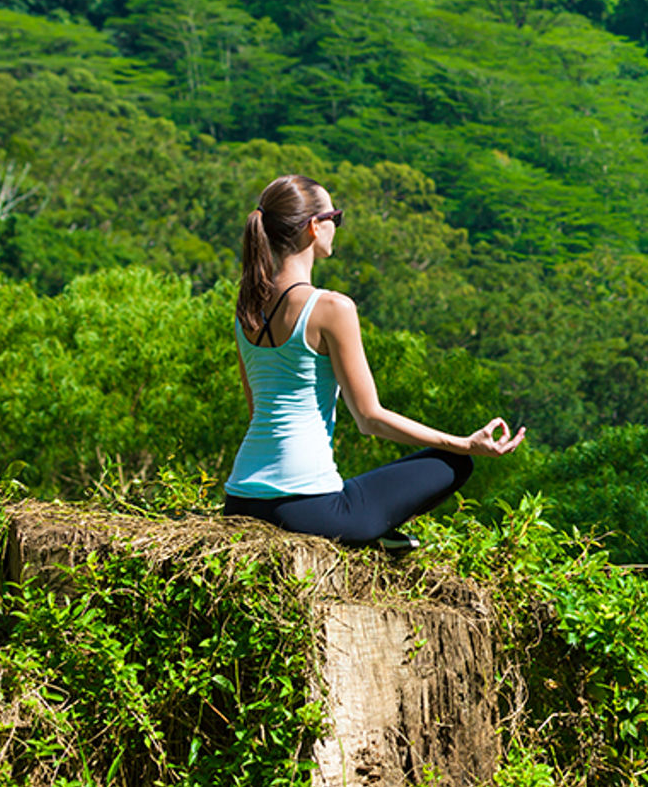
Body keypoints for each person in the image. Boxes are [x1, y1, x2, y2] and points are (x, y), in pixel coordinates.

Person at [223, 174, 525, 549]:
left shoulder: (246, 312)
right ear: (315, 227)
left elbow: (258, 413)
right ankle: (375, 535)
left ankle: (380, 533)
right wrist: (464, 444)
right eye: (337, 216)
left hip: (239, 501)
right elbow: (370, 419)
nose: (338, 226)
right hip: (308, 510)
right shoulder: (332, 308)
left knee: (368, 485)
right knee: (452, 464)